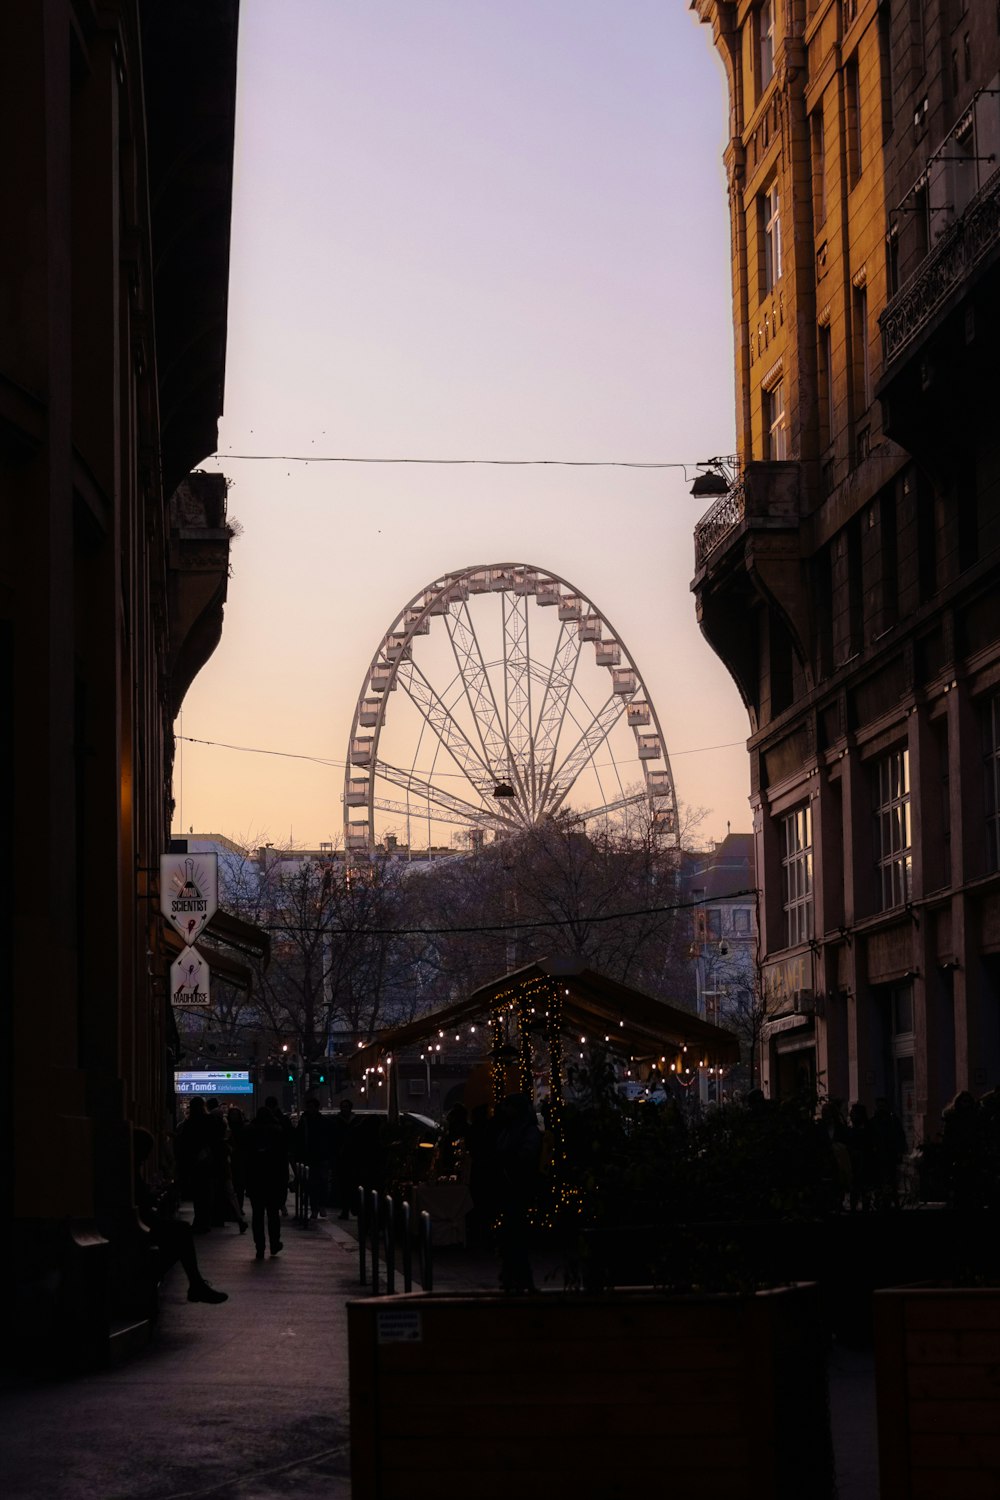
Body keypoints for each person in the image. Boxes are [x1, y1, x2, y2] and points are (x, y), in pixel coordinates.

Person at [133, 1128, 227, 1304]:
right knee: (181, 1235)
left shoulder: (129, 1170)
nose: (146, 1158)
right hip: (141, 1224)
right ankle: (193, 1283)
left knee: (181, 1235)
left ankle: (193, 1283)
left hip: (141, 1222)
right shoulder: (130, 1171)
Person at [494, 1093, 542, 1294]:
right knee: (511, 1235)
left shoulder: (526, 1131)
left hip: (518, 1187)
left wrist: (509, 1162)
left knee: (515, 1234)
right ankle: (513, 1275)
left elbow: (526, 1156)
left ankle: (518, 1276)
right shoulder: (510, 1129)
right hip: (510, 1187)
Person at [245, 1105, 290, 1259]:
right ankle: (274, 1242)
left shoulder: (250, 1131)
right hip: (273, 1178)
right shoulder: (277, 1131)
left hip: (255, 1178)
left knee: (257, 1215)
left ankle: (259, 1246)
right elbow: (283, 1158)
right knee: (272, 1214)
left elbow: (246, 1158)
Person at [295, 1096, 332, 1221]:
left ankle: (320, 1206)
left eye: (312, 1107)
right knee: (311, 1184)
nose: (310, 1109)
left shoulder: (323, 1121)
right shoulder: (304, 1121)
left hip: (321, 1156)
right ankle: (315, 1207)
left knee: (322, 1182)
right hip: (310, 1156)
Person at [331, 1097, 357, 1218]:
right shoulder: (337, 1121)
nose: (344, 1109)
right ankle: (345, 1208)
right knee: (343, 1185)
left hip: (352, 1157)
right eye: (343, 1107)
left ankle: (351, 1207)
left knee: (352, 1185)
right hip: (341, 1157)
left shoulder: (355, 1121)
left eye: (346, 1106)